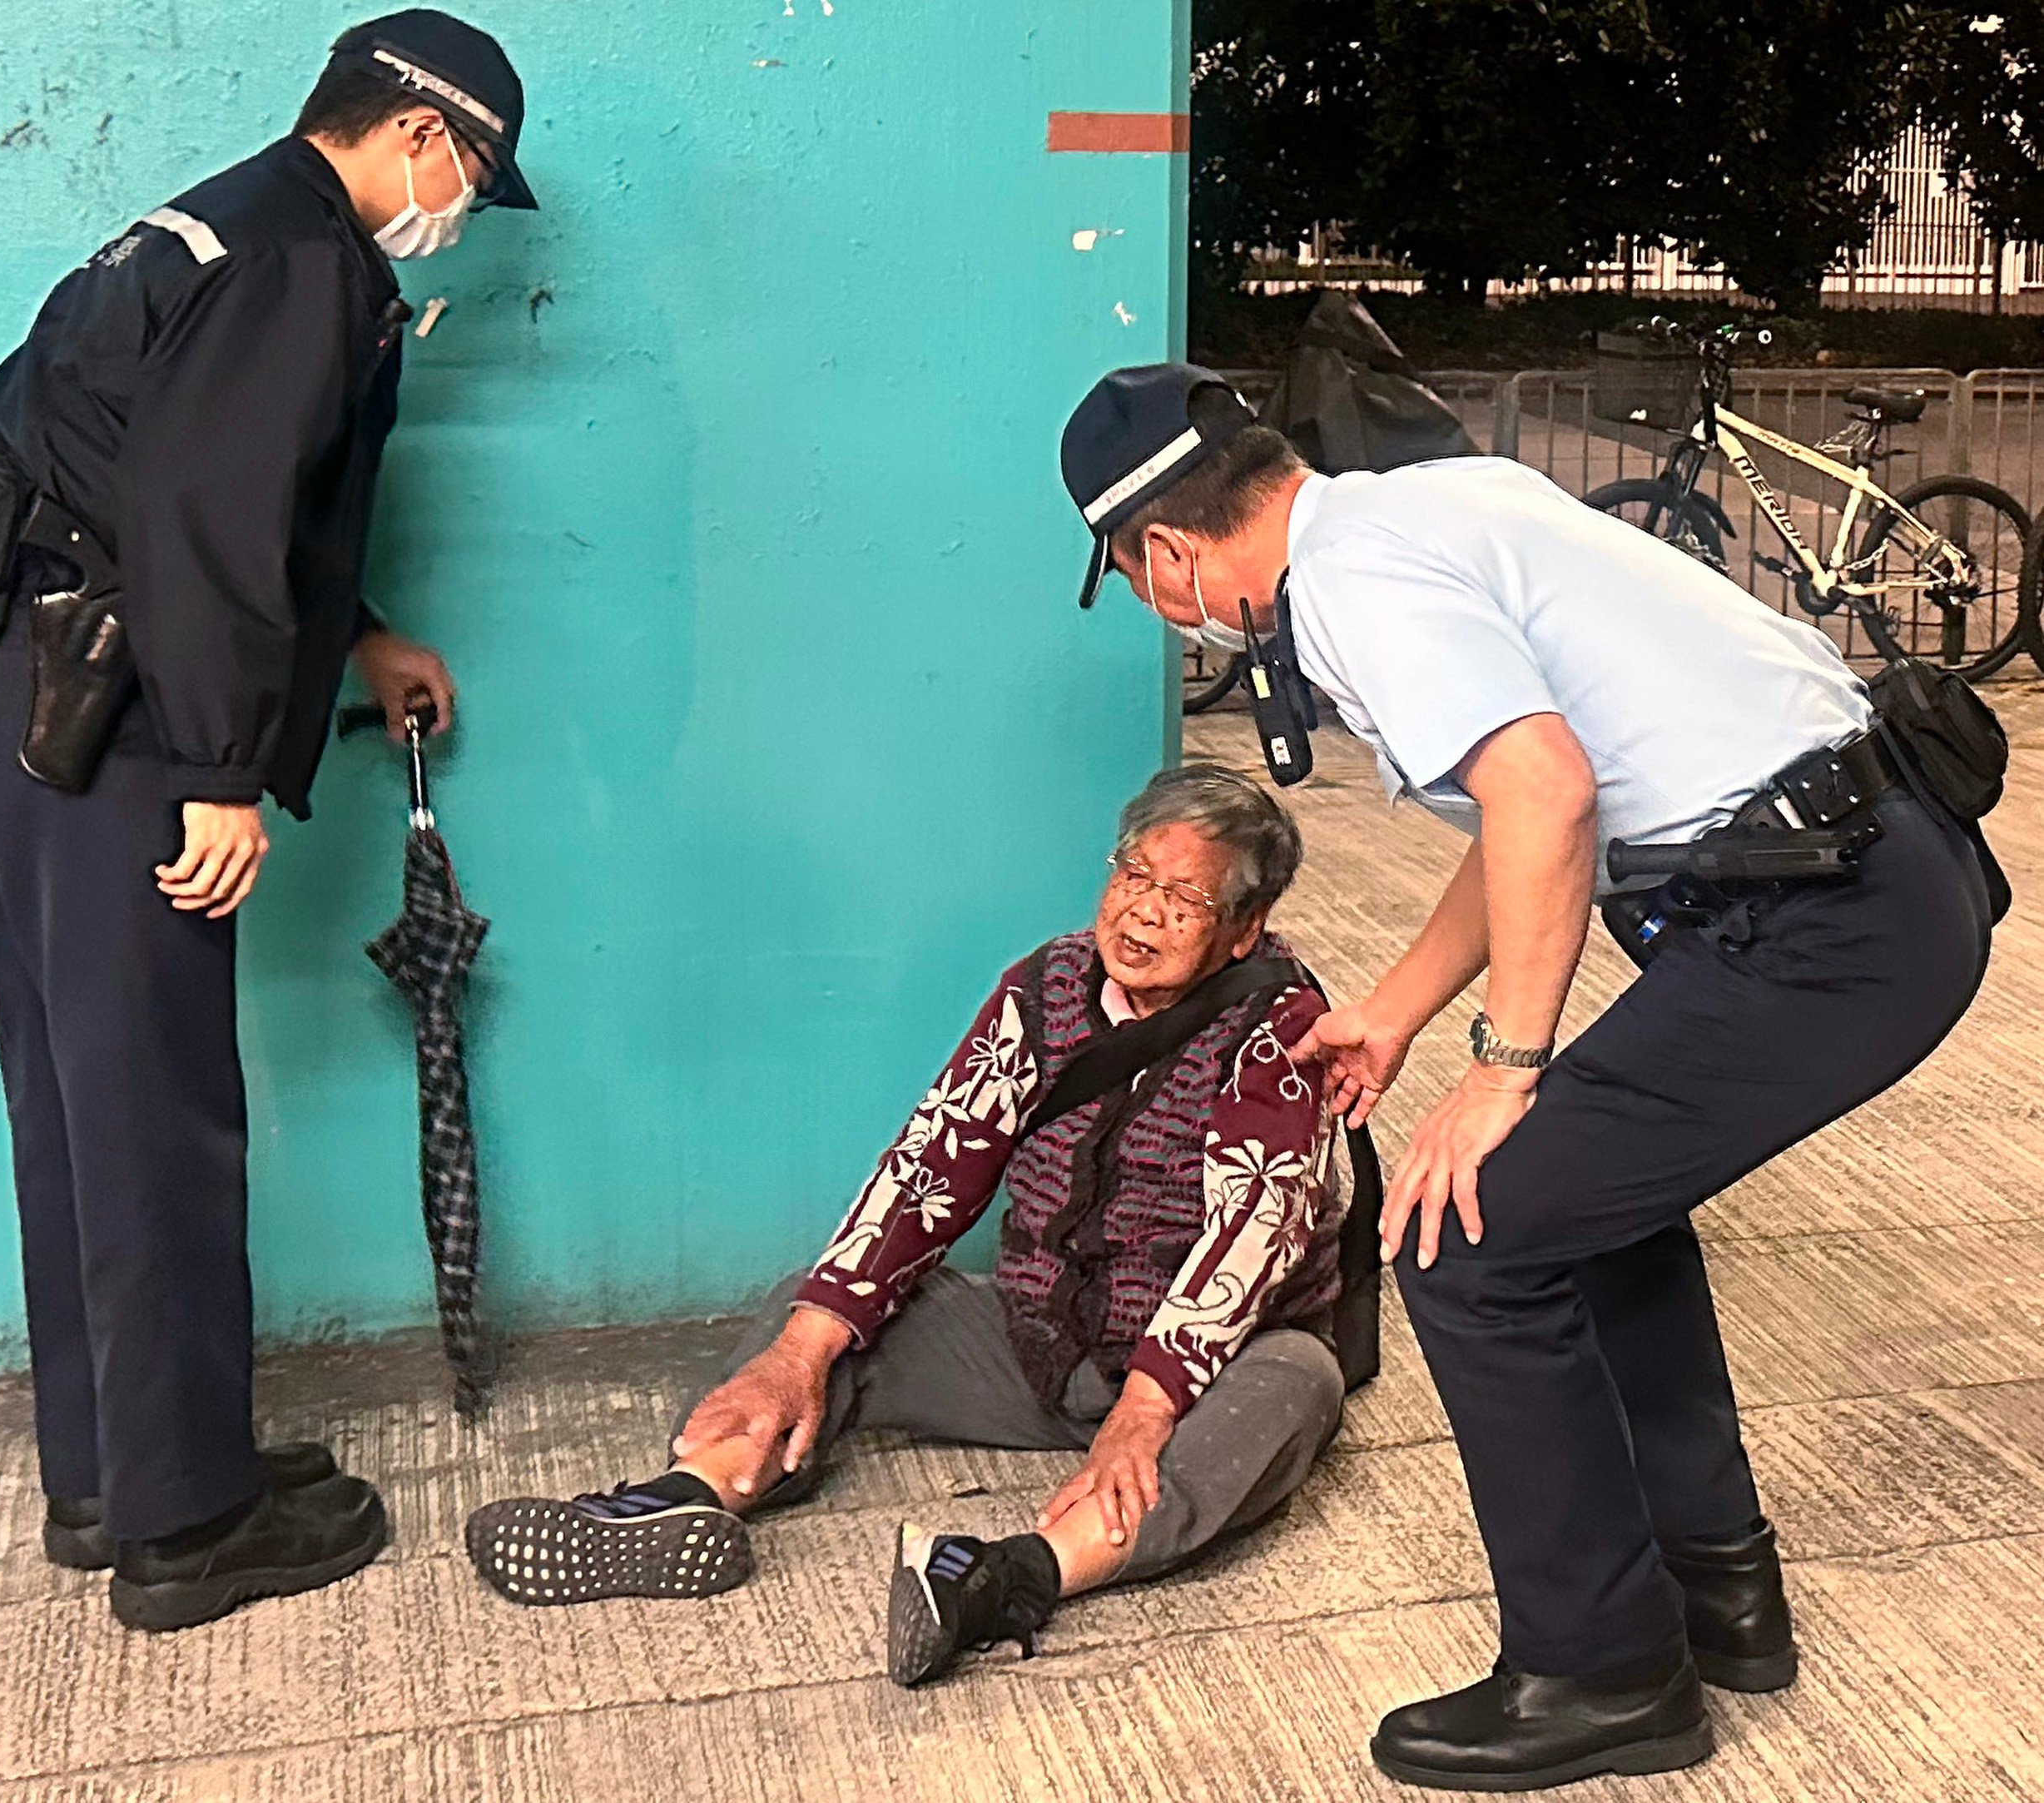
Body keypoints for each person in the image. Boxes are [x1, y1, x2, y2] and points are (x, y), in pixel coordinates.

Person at [1059, 365, 1994, 1790]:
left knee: (1471, 1232)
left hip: (1827, 917)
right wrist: (1392, 1013)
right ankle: (1712, 1594)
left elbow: (1547, 794)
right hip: (1858, 880)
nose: (1154, 601)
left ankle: (1602, 1670)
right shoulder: (1416, 508)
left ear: (1167, 553)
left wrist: (1503, 1069)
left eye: (1132, 577)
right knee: (1589, 1213)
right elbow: (1528, 817)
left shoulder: (1358, 582)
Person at [0, 11, 538, 1631]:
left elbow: (156, 464)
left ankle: (120, 1469)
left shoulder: (213, 220)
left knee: (79, 1106)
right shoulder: (306, 256)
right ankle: (185, 1533)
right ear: (423, 139)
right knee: (161, 1113)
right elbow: (207, 509)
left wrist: (363, 635)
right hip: (89, 705)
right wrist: (220, 773)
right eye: (468, 175)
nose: (455, 208)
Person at [465, 767, 1352, 1687]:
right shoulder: (1046, 985)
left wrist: (1145, 1409)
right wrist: (804, 1347)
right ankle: (693, 1498)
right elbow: (935, 1162)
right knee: (810, 1318)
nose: (1144, 913)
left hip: (1198, 1376)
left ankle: (1006, 1577)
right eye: (1134, 874)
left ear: (1243, 930)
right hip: (1041, 1347)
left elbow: (1256, 1230)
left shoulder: (1280, 1028)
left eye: (1185, 897)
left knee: (1295, 1388)